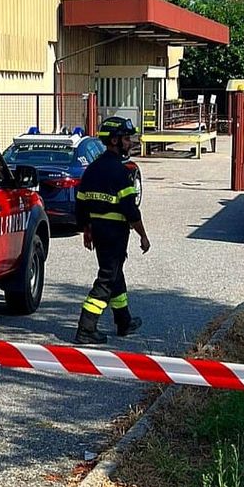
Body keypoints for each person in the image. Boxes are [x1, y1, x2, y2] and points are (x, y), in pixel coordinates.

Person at [74, 116, 150, 345]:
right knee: (107, 279)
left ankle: (123, 321)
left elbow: (81, 202)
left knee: (115, 275)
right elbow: (130, 210)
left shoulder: (92, 169)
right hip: (115, 233)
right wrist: (143, 236)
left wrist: (87, 229)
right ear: (115, 140)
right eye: (126, 139)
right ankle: (86, 328)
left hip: (98, 231)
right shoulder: (120, 171)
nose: (130, 143)